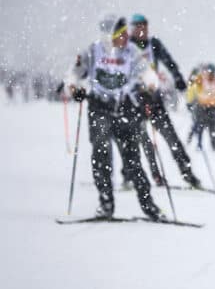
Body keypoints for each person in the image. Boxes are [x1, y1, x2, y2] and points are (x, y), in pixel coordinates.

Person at [64, 16, 166, 220]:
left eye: (126, 33)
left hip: (125, 108)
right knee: (101, 154)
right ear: (109, 36)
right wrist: (75, 89)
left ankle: (149, 205)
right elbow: (72, 75)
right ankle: (106, 203)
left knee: (132, 159)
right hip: (99, 107)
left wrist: (150, 88)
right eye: (120, 34)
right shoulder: (93, 51)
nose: (126, 37)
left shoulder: (132, 52)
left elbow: (148, 74)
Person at [129, 15, 202, 188]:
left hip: (153, 97)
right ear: (133, 29)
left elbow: (169, 62)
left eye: (145, 27)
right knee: (141, 140)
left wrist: (178, 78)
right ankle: (149, 175)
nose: (143, 30)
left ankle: (188, 173)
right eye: (139, 27)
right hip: (133, 100)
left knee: (171, 138)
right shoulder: (127, 47)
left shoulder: (154, 44)